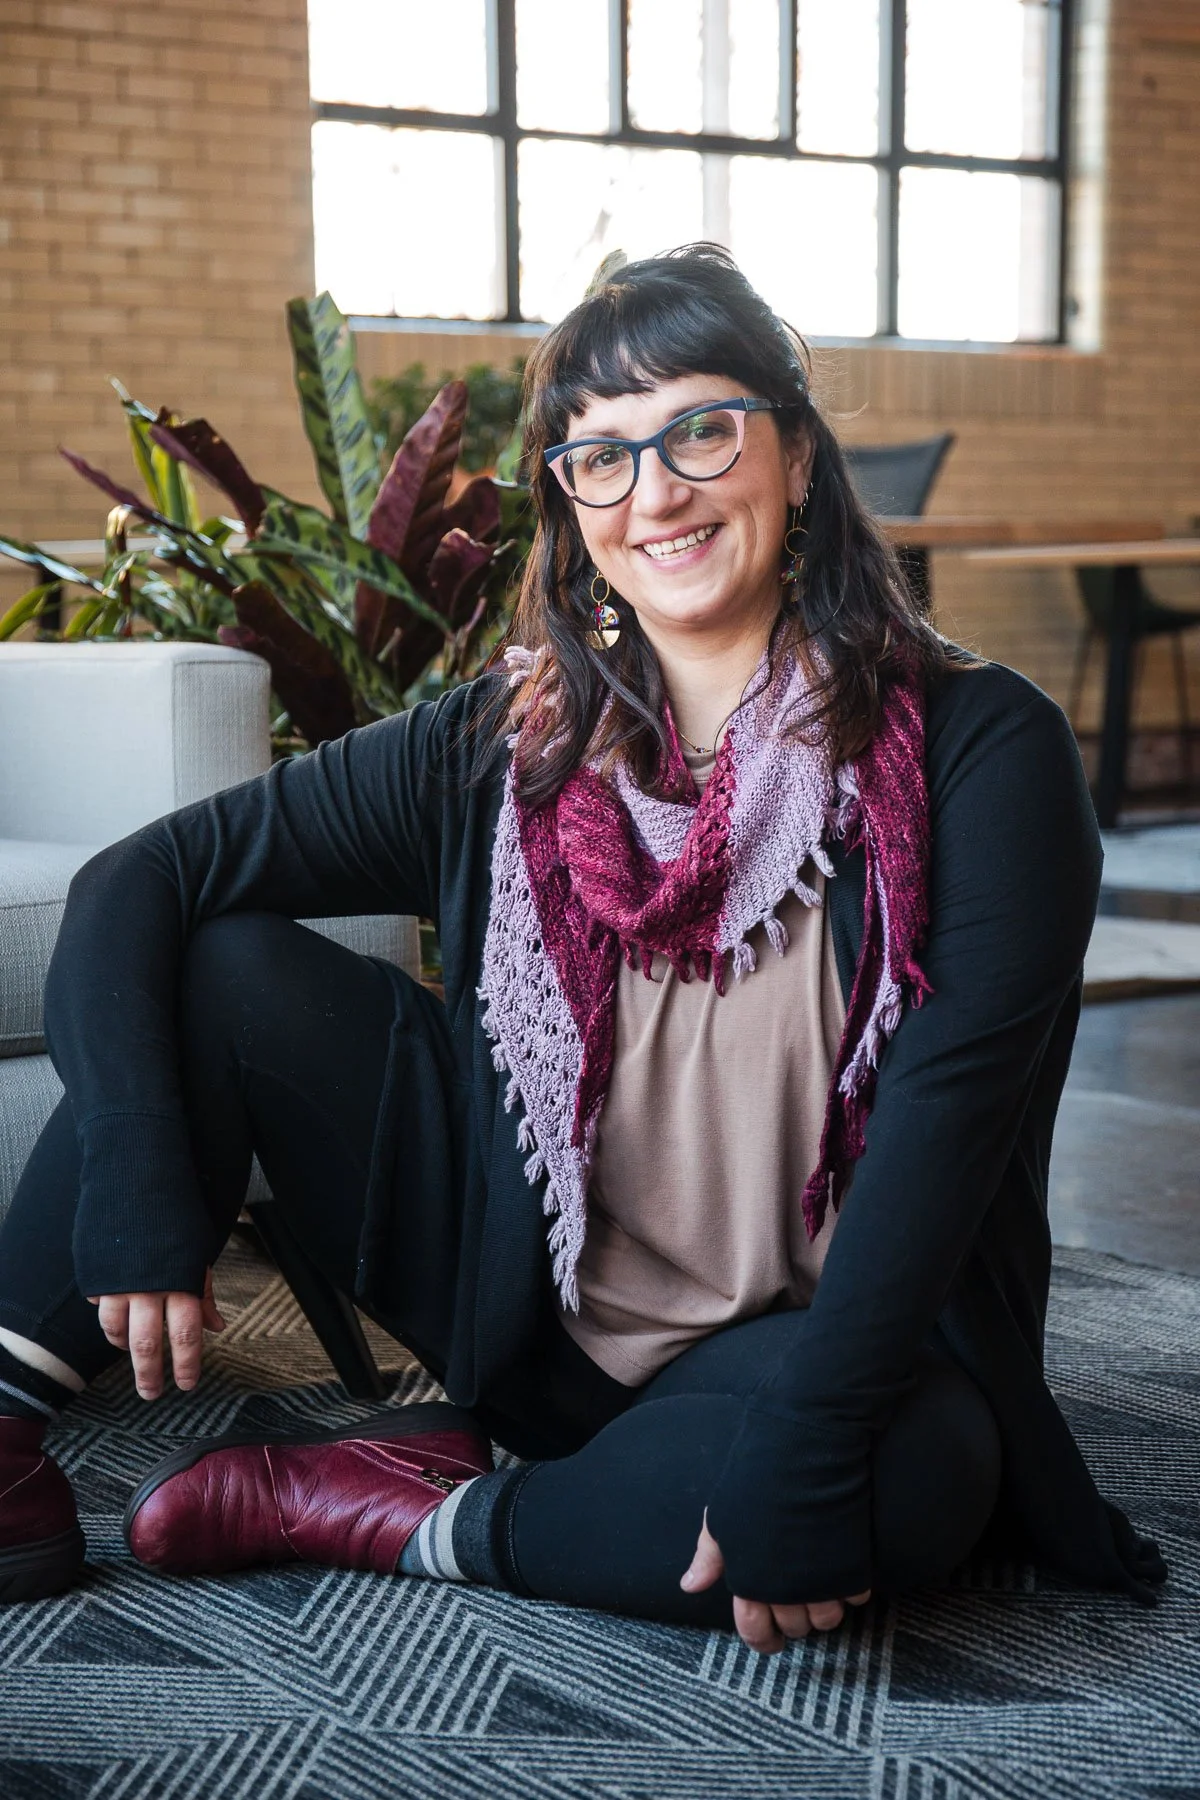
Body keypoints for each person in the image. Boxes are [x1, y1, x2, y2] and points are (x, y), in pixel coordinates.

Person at [0, 246, 1165, 1649]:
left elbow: (949, 1125)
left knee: (910, 1480)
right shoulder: (508, 744)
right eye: (602, 457)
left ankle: (392, 1506)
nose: (655, 493)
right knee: (220, 968)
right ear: (569, 502)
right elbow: (139, 881)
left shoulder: (980, 751)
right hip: (534, 1317)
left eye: (701, 430)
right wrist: (135, 1166)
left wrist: (807, 1446)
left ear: (798, 456)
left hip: (809, 1341)